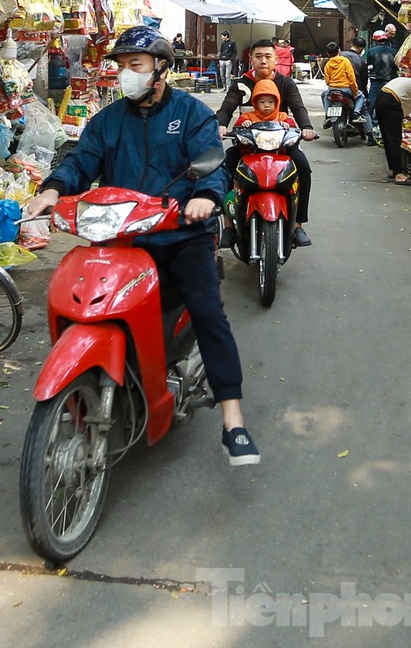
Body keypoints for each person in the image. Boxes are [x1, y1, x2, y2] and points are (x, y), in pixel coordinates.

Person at [21, 27, 259, 466]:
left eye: (136, 65)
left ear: (161, 68)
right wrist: (54, 189)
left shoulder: (191, 114)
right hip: (121, 238)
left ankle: (233, 418)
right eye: (121, 66)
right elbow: (81, 161)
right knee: (83, 298)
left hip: (181, 235)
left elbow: (210, 163)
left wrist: (206, 195)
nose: (125, 74)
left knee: (208, 311)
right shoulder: (108, 120)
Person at [216, 39, 315, 246]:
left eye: (268, 56)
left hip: (281, 146)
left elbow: (298, 108)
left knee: (303, 167)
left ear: (276, 60)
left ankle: (297, 224)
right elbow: (226, 108)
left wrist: (306, 127)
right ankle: (228, 224)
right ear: (251, 58)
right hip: (247, 147)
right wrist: (220, 125)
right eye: (258, 56)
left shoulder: (286, 83)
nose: (263, 61)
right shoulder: (240, 83)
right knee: (225, 166)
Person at [376, 66, 411, 186]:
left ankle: (392, 168)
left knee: (387, 137)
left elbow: (401, 105)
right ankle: (399, 174)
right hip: (391, 104)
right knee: (395, 139)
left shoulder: (405, 81)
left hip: (381, 99)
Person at [362, 28, 399, 137]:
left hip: (376, 81)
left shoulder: (371, 51)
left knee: (372, 104)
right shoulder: (393, 51)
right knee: (389, 104)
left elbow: (368, 66)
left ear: (375, 40)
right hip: (390, 81)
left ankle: (370, 129)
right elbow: (395, 66)